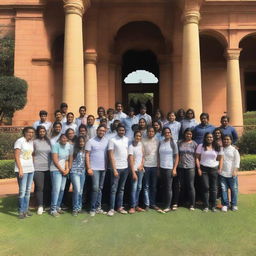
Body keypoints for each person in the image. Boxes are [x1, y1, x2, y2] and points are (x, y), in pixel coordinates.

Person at [196, 132, 223, 212]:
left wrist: (220, 168)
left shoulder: (217, 146)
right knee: (206, 187)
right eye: (208, 137)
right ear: (205, 138)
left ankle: (214, 206)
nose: (209, 138)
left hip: (214, 169)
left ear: (213, 138)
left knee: (214, 188)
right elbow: (197, 158)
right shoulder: (201, 146)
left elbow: (220, 158)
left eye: (211, 137)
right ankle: (206, 206)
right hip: (204, 169)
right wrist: (198, 169)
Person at [86, 125, 108, 216]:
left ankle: (98, 207)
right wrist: (88, 168)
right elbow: (87, 155)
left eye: (103, 131)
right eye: (100, 130)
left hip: (103, 168)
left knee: (100, 188)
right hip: (94, 168)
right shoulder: (90, 141)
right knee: (95, 188)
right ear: (97, 131)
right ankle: (92, 208)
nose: (101, 132)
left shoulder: (107, 141)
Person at [107, 124, 129, 216]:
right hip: (116, 168)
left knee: (121, 189)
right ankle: (111, 208)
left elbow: (127, 152)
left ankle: (119, 207)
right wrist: (114, 169)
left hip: (125, 168)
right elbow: (111, 155)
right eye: (120, 130)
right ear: (117, 131)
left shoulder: (127, 139)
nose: (121, 132)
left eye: (123, 130)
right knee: (113, 189)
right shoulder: (112, 140)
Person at [14, 126, 35, 219]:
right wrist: (20, 169)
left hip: (31, 169)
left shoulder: (31, 142)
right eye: (29, 132)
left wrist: (33, 166)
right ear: (24, 133)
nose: (31, 134)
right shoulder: (19, 141)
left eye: (32, 132)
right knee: (22, 191)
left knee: (28, 191)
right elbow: (16, 156)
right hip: (22, 170)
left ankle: (26, 210)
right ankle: (21, 211)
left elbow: (31, 155)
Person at [49, 134, 72, 217]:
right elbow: (55, 160)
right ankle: (53, 209)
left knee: (62, 189)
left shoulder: (68, 146)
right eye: (63, 138)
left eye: (66, 138)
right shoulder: (56, 146)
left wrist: (67, 169)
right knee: (56, 190)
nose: (64, 139)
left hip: (64, 171)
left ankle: (58, 207)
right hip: (56, 170)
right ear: (60, 139)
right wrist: (62, 170)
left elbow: (67, 160)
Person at [159, 127, 179, 213]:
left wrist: (174, 168)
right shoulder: (161, 142)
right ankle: (164, 203)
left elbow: (177, 156)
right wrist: (158, 167)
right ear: (163, 134)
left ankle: (168, 206)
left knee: (168, 188)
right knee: (164, 186)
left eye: (168, 132)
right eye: (165, 132)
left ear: (170, 133)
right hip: (162, 167)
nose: (167, 134)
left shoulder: (173, 143)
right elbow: (158, 155)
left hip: (169, 168)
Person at [177, 128, 197, 210]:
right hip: (181, 166)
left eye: (190, 134)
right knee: (181, 185)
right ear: (184, 134)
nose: (188, 135)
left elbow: (197, 156)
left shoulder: (194, 144)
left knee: (190, 186)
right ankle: (182, 202)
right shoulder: (180, 143)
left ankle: (192, 204)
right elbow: (177, 154)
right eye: (187, 134)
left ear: (192, 135)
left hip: (190, 167)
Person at [33, 126, 52, 215]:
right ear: (38, 132)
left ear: (45, 132)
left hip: (48, 168)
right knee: (40, 187)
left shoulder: (49, 142)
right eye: (40, 131)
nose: (42, 133)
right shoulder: (35, 142)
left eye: (43, 131)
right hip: (38, 168)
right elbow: (32, 154)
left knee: (47, 187)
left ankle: (46, 204)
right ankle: (40, 206)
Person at [220, 135, 240, 212]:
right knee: (223, 189)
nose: (226, 141)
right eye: (224, 139)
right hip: (222, 173)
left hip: (232, 173)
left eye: (228, 139)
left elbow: (237, 161)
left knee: (234, 189)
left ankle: (234, 204)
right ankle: (225, 205)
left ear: (231, 140)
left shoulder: (234, 150)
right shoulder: (221, 149)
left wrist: (235, 170)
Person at [142, 127, 160, 211]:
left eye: (152, 131)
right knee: (146, 186)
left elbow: (159, 154)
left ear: (154, 133)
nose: (151, 132)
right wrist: (142, 165)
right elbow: (141, 154)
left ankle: (153, 203)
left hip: (155, 166)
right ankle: (147, 204)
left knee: (154, 186)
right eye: (149, 131)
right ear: (147, 132)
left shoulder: (157, 141)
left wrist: (158, 167)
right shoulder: (143, 140)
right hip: (146, 165)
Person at [69, 136, 86, 216]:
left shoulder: (85, 151)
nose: (81, 143)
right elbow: (71, 160)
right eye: (80, 141)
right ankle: (75, 208)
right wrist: (69, 169)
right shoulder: (74, 150)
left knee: (81, 191)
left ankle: (79, 207)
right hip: (74, 172)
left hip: (82, 172)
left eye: (83, 141)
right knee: (77, 190)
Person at [128, 131, 145, 214]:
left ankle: (136, 205)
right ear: (134, 136)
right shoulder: (131, 146)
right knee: (134, 188)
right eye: (137, 136)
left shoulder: (141, 145)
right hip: (134, 170)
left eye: (139, 136)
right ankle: (132, 207)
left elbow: (143, 157)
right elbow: (130, 160)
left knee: (139, 188)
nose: (138, 137)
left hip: (140, 170)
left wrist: (142, 165)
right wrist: (133, 172)